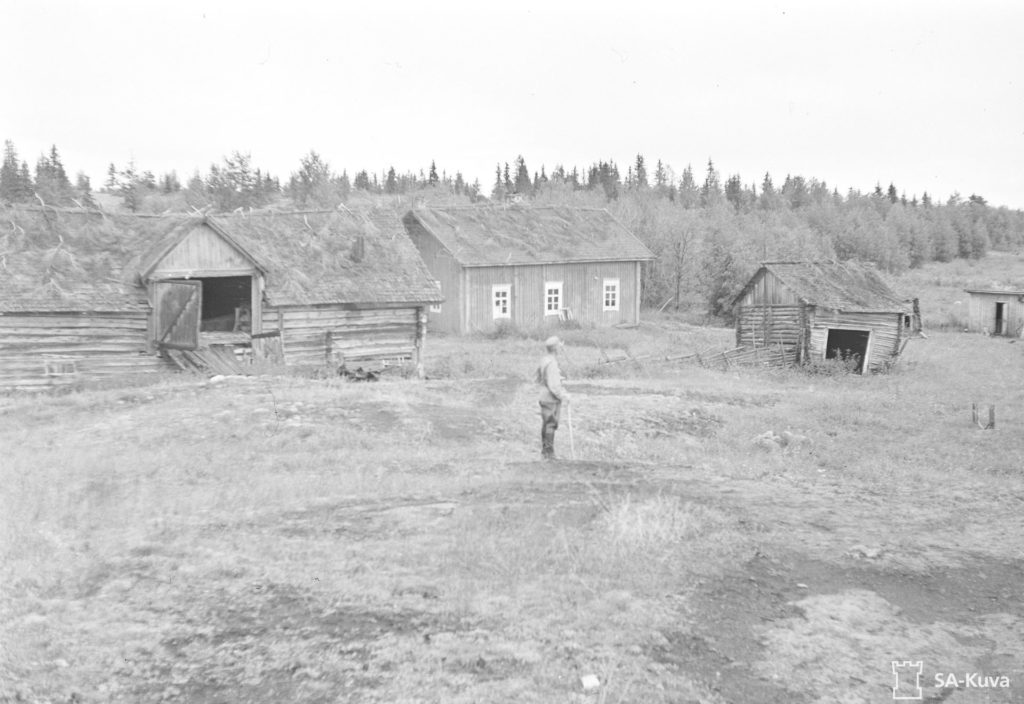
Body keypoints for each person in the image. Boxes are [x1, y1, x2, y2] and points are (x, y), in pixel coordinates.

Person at [536, 335, 570, 460]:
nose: (562, 349)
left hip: (544, 396)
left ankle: (545, 452)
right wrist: (564, 395)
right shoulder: (552, 363)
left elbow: (543, 378)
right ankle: (549, 454)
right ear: (556, 348)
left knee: (546, 424)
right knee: (550, 424)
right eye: (560, 347)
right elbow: (554, 386)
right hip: (550, 398)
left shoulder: (545, 360)